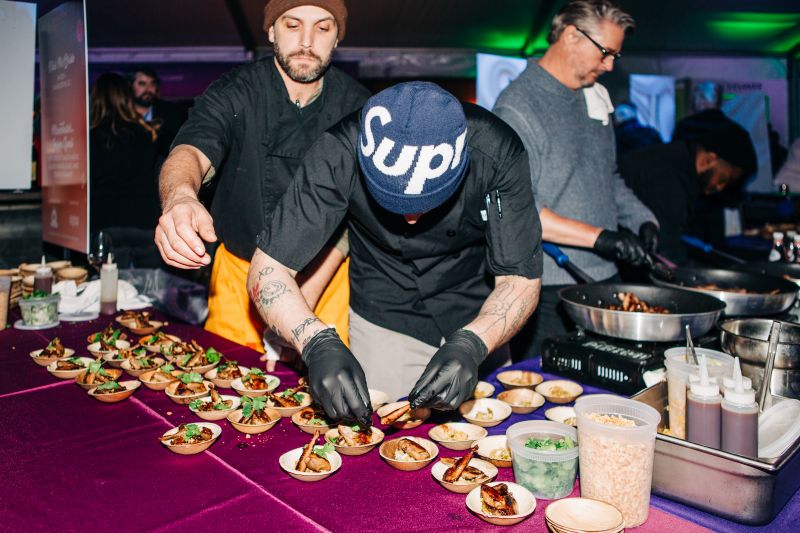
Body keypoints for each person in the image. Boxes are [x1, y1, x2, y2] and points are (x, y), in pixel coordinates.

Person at [247, 82, 543, 423]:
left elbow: (520, 279)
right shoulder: (336, 151)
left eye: (427, 203)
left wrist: (473, 343)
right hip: (383, 303)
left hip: (475, 304)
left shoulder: (498, 151)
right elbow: (267, 268)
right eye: (392, 201)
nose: (411, 218)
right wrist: (315, 342)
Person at [155, 0, 370, 361]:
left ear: (337, 39)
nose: (306, 40)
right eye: (292, 25)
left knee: (322, 404)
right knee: (221, 396)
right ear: (271, 31)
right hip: (237, 280)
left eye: (322, 28)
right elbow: (191, 151)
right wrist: (180, 197)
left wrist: (302, 300)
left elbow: (358, 214)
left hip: (325, 277)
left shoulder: (359, 107)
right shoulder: (234, 91)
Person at [493, 0, 658, 359]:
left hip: (605, 278)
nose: (611, 65)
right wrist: (601, 239)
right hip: (549, 288)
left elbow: (609, 176)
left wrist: (642, 219)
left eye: (615, 55)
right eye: (605, 53)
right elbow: (519, 211)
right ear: (571, 36)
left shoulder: (594, 96)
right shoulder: (517, 107)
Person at [619, 116, 757, 264]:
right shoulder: (669, 175)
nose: (720, 187)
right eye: (723, 179)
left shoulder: (678, 162)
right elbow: (668, 248)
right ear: (708, 160)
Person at [89, 73, 163, 268]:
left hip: (107, 222)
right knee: (150, 291)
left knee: (110, 290)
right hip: (145, 221)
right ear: (126, 97)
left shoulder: (91, 137)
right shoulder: (147, 133)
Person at [129, 66, 187, 152]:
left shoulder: (172, 112)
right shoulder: (120, 115)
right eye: (142, 84)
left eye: (152, 84)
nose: (149, 89)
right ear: (130, 86)